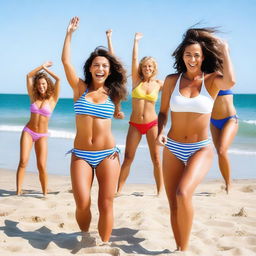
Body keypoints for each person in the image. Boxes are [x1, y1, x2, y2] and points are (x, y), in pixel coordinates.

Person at [157, 28, 235, 251]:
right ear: (182, 56)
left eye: (197, 55)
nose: (192, 59)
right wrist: (159, 131)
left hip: (200, 148)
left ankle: (185, 248)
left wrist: (225, 50)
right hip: (172, 147)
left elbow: (230, 81)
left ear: (204, 57)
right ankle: (179, 248)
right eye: (188, 55)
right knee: (173, 203)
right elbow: (162, 113)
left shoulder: (211, 80)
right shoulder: (172, 80)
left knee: (183, 193)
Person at [61, 17, 127, 243]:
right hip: (81, 154)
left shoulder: (113, 92)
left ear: (109, 71)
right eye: (96, 64)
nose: (100, 68)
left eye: (105, 66)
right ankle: (85, 234)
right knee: (82, 202)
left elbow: (118, 63)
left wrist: (109, 43)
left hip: (108, 154)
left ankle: (106, 244)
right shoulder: (80, 88)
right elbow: (66, 62)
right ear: (90, 68)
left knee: (106, 202)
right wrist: (69, 34)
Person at [116, 32, 164, 196]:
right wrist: (135, 42)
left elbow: (178, 85)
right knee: (128, 158)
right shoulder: (137, 81)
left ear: (154, 68)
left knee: (156, 159)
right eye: (145, 66)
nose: (147, 68)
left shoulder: (159, 84)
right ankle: (119, 190)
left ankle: (159, 192)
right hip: (135, 125)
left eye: (150, 66)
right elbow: (134, 59)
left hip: (152, 125)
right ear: (141, 69)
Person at [16, 61, 60, 195]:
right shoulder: (33, 96)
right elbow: (29, 76)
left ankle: (45, 193)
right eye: (39, 84)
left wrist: (46, 70)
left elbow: (58, 79)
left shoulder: (53, 99)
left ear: (48, 85)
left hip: (42, 136)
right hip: (28, 132)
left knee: (41, 165)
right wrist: (41, 66)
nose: (41, 86)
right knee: (23, 161)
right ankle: (18, 191)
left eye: (44, 84)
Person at [210, 89, 238, 193]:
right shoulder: (204, 77)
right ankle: (227, 182)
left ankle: (229, 184)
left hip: (230, 119)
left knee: (222, 150)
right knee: (219, 153)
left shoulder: (223, 76)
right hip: (213, 122)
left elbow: (231, 80)